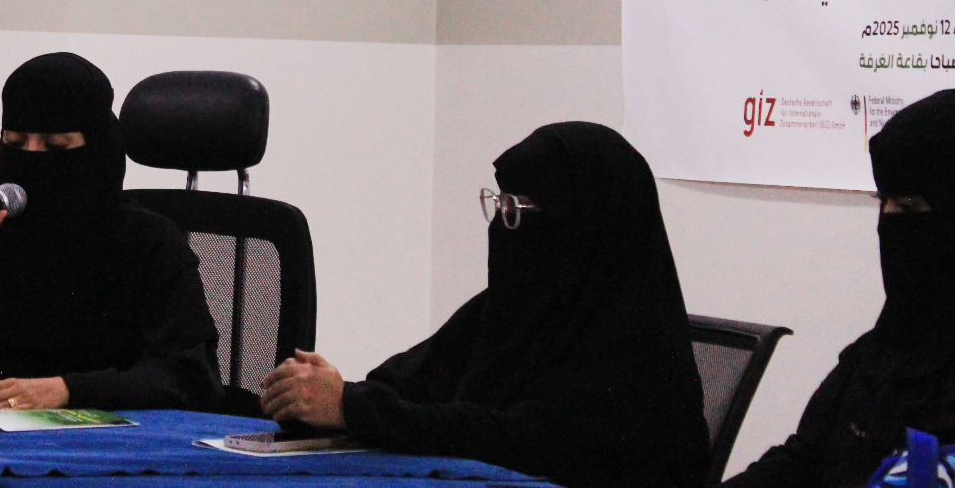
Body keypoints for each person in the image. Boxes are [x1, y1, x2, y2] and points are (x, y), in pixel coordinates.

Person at [262, 122, 708, 488]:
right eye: (499, 204)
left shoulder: (638, 351)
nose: (502, 226)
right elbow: (413, 380)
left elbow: (521, 439)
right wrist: (323, 397)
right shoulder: (513, 307)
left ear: (582, 227)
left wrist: (356, 409)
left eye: (515, 210)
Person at [0, 52, 223, 411]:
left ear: (98, 148)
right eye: (15, 144)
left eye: (55, 146)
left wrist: (67, 390)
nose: (32, 158)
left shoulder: (149, 243)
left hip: (111, 441)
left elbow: (190, 378)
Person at [724, 89, 955, 487]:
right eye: (882, 202)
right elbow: (802, 459)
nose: (889, 223)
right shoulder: (878, 351)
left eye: (908, 208)